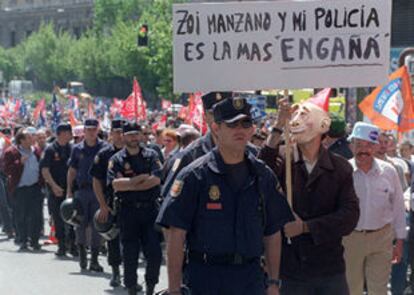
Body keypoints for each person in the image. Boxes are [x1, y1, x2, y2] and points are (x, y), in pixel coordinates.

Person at [157, 97, 293, 295]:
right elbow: (176, 235)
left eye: (245, 123)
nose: (240, 129)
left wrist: (273, 282)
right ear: (216, 128)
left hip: (250, 279)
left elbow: (272, 232)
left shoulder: (263, 175)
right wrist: (175, 289)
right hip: (205, 278)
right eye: (232, 124)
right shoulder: (195, 176)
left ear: (252, 129)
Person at [259, 94, 360, 294]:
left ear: (323, 125)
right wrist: (278, 125)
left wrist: (306, 227)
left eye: (304, 115)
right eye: (294, 115)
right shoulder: (282, 158)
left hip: (329, 270)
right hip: (289, 271)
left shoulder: (340, 168)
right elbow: (261, 170)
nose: (296, 119)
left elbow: (349, 217)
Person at [343, 122, 407, 295]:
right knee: (352, 289)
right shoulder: (343, 171)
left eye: (369, 145)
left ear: (377, 146)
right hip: (350, 239)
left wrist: (399, 241)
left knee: (378, 290)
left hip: (382, 238)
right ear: (351, 146)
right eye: (359, 144)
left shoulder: (389, 171)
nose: (364, 150)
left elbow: (398, 208)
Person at [107, 121, 163, 295]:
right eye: (129, 134)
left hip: (149, 210)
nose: (133, 137)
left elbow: (156, 179)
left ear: (141, 135)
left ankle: (150, 287)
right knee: (130, 254)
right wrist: (137, 180)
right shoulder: (116, 159)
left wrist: (129, 184)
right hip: (127, 211)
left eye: (136, 134)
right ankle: (131, 287)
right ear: (123, 136)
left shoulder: (152, 155)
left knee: (154, 252)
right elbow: (116, 184)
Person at [90, 119, 129, 288]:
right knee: (112, 238)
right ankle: (115, 272)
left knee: (131, 240)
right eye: (116, 132)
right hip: (111, 202)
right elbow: (96, 181)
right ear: (111, 133)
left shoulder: (135, 152)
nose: (119, 135)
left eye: (122, 132)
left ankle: (130, 274)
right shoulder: (104, 154)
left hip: (133, 203)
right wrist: (102, 205)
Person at [67, 118, 107, 271]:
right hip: (82, 191)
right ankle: (83, 255)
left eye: (93, 129)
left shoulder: (104, 148)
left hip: (98, 192)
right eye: (88, 129)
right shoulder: (77, 149)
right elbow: (72, 171)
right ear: (84, 131)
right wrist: (69, 191)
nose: (91, 132)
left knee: (97, 224)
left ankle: (95, 259)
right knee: (80, 224)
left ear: (98, 130)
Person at [3, 128, 44, 251]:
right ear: (21, 140)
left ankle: (35, 240)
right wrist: (18, 163)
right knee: (22, 215)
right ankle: (23, 240)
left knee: (36, 215)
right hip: (20, 189)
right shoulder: (11, 152)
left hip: (35, 187)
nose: (32, 139)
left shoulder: (36, 151)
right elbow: (6, 169)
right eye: (29, 137)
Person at [40, 123, 73, 257]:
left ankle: (73, 244)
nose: (69, 135)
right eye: (67, 132)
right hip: (55, 189)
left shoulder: (72, 149)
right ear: (61, 133)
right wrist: (54, 186)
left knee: (73, 217)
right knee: (58, 218)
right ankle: (61, 245)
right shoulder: (50, 149)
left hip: (70, 188)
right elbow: (45, 170)